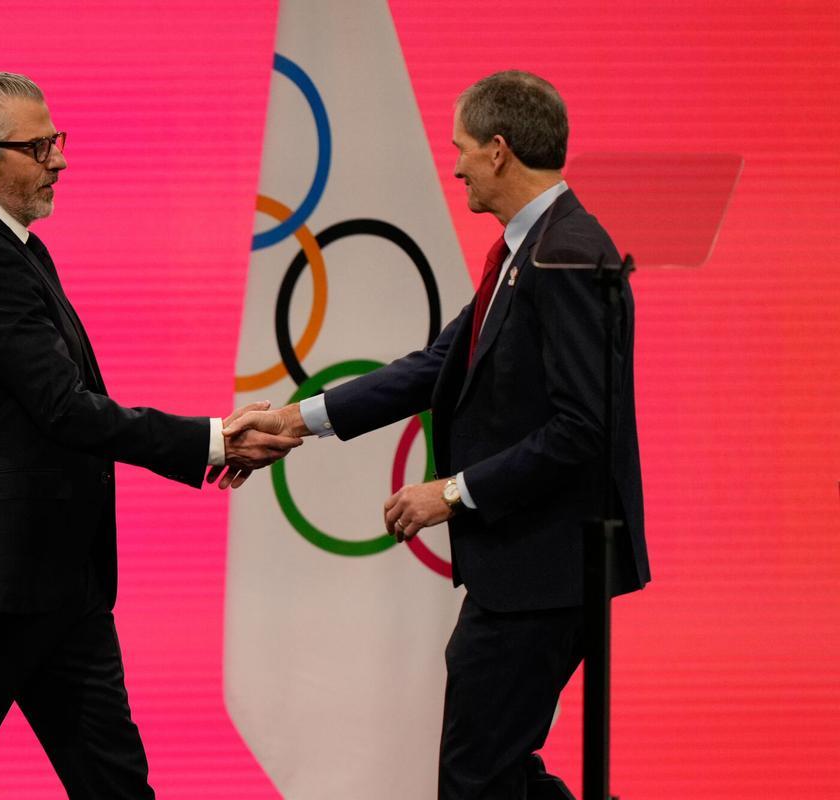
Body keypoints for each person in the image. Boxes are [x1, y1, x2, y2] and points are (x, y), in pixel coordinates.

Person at [0, 70, 300, 799]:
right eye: (38, 146)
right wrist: (213, 440)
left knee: (115, 784)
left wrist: (213, 441)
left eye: (56, 140)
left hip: (54, 577)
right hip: (7, 584)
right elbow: (66, 410)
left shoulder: (11, 246)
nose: (59, 159)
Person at [225, 71, 649, 799]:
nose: (454, 167)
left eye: (460, 149)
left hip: (546, 570)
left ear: (498, 149)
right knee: (495, 774)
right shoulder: (527, 250)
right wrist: (295, 420)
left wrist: (451, 493)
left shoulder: (570, 252)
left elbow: (583, 428)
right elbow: (434, 367)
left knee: (477, 778)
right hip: (522, 570)